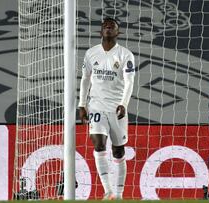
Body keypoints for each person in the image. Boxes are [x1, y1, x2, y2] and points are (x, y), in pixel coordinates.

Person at [78, 17, 135, 200]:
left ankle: (118, 194)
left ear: (118, 33)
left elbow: (129, 82)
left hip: (117, 109)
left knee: (118, 151)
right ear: (100, 32)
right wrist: (82, 104)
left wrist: (124, 104)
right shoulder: (91, 53)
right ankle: (108, 191)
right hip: (96, 107)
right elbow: (85, 79)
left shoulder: (125, 55)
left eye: (112, 27)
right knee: (99, 143)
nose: (108, 28)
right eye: (105, 26)